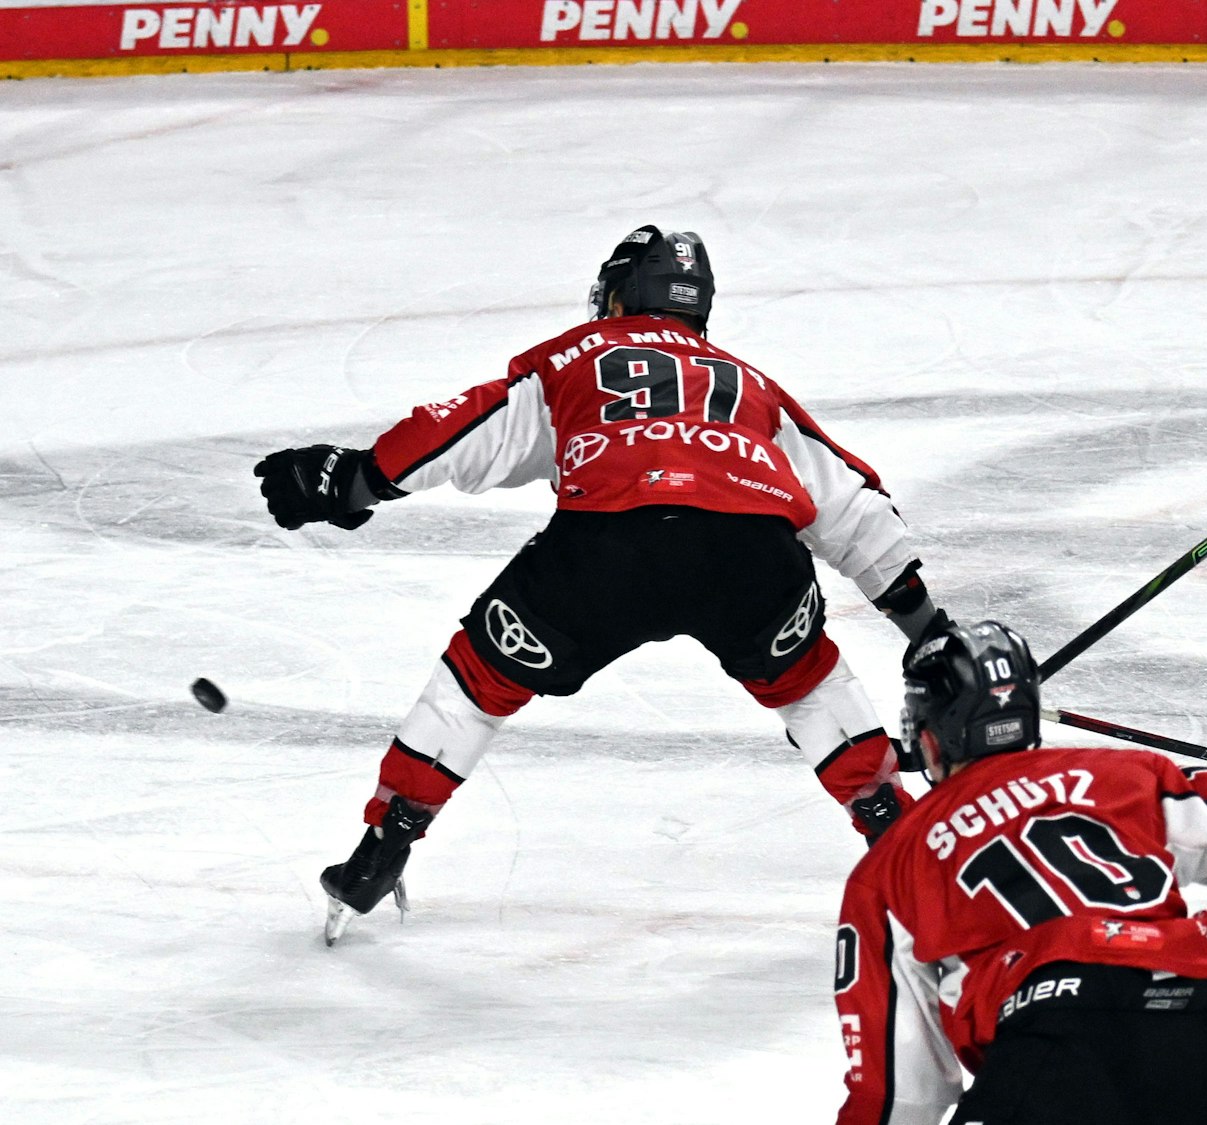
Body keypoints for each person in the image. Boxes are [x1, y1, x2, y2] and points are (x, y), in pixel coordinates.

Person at [254, 225, 952, 945]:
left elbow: (468, 431)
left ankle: (384, 844)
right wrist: (926, 627)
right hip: (748, 553)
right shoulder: (752, 386)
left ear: (620, 293)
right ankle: (894, 836)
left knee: (478, 679)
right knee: (807, 680)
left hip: (607, 549)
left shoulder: (574, 356)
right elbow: (852, 506)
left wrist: (358, 481)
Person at [833, 620, 1207, 1125]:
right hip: (1201, 1029)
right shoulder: (1126, 776)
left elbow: (898, 1096)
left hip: (1056, 1036)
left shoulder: (893, 862)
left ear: (930, 738)